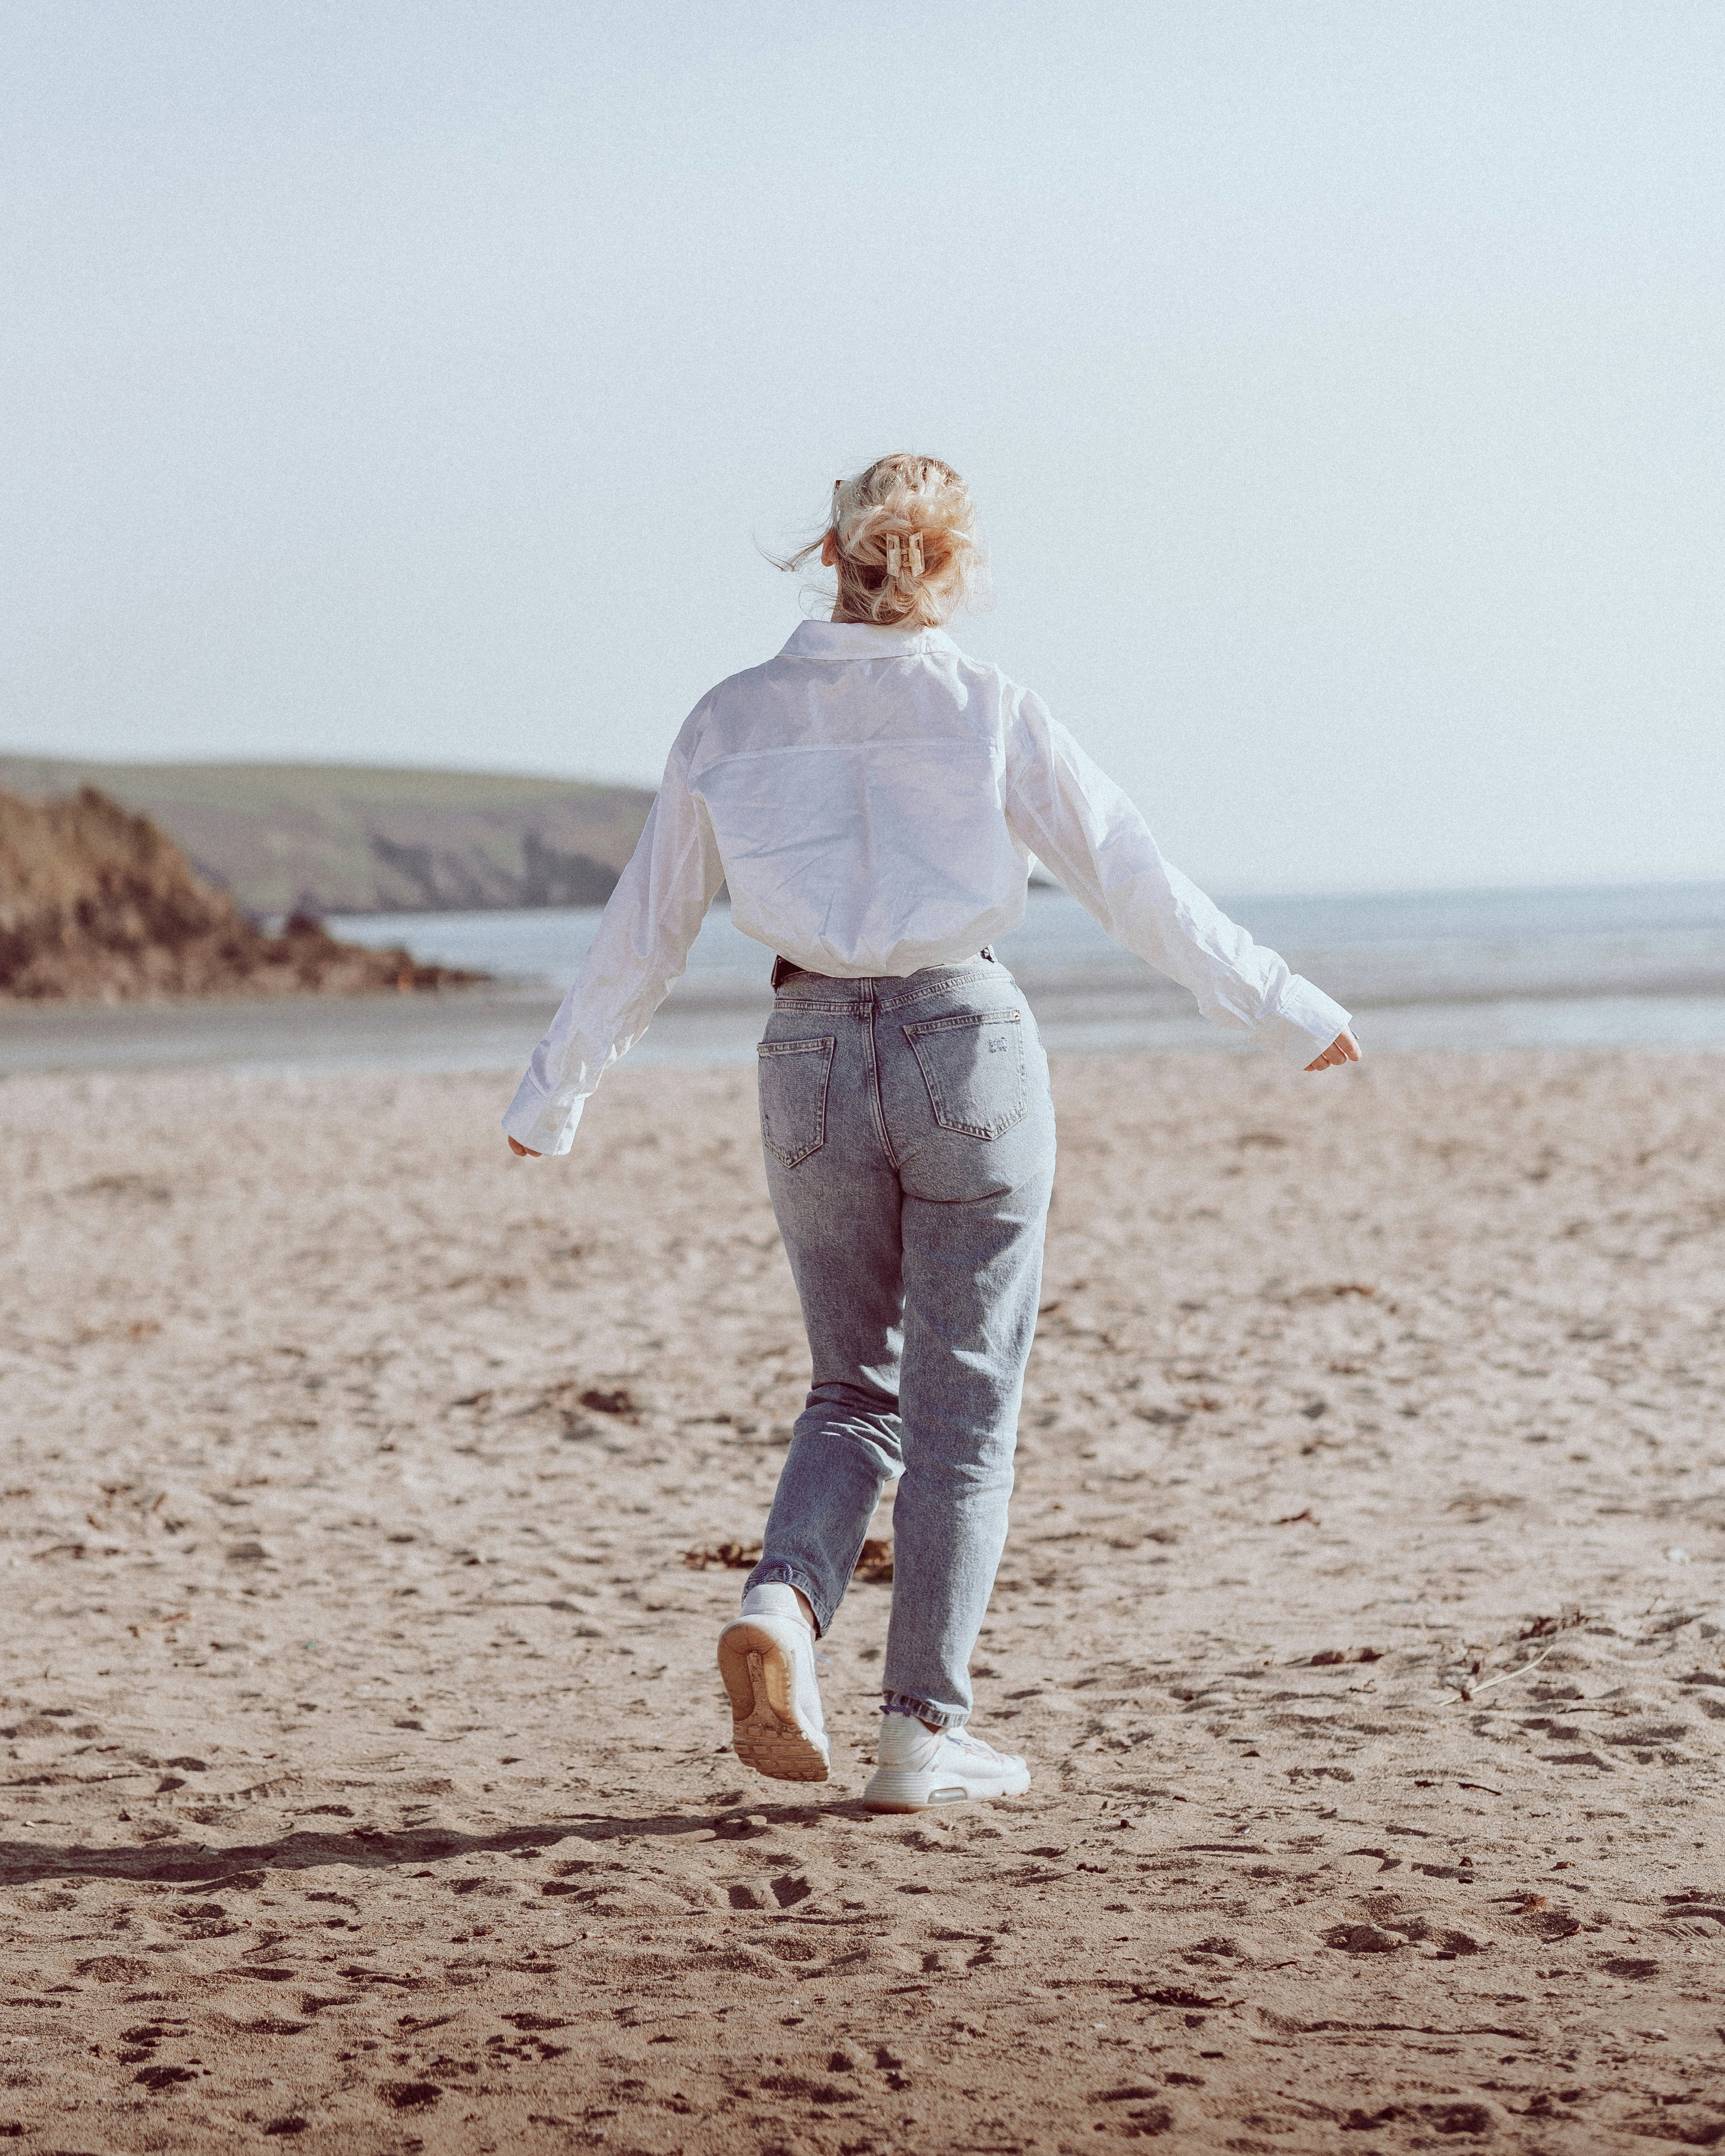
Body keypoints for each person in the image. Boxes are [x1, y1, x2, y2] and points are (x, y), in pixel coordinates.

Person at [502, 453, 1358, 1812]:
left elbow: (644, 930)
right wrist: (1284, 1007)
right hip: (965, 1049)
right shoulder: (985, 707)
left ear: (824, 555)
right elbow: (1129, 875)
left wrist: (554, 1093)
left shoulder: (729, 717)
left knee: (852, 1387)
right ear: (948, 567)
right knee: (965, 1411)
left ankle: (782, 1609)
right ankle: (920, 1733)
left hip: (804, 1055)